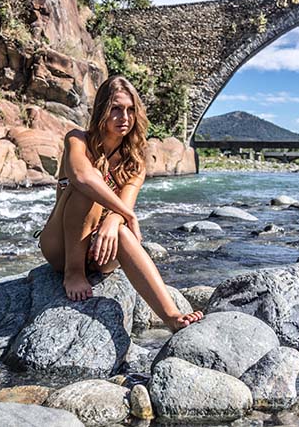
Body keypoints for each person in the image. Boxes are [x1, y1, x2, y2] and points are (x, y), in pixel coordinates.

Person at [39, 75, 203, 331]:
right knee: (87, 189)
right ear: (103, 109)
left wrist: (116, 221)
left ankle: (171, 316)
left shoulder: (135, 161)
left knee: (123, 232)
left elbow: (122, 209)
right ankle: (74, 273)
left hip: (100, 250)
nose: (124, 117)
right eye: (116, 109)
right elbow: (82, 176)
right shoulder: (77, 140)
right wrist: (130, 216)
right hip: (61, 244)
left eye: (130, 110)